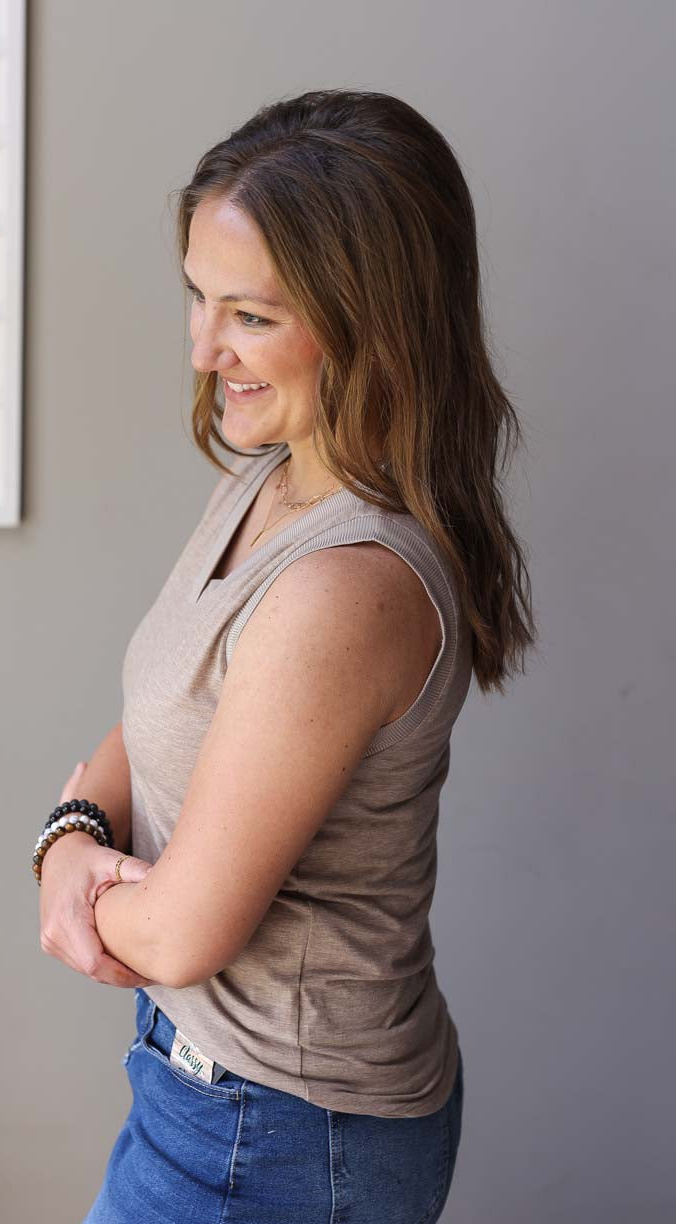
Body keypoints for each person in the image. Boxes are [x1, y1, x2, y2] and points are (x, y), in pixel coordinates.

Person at [36, 88, 537, 1224]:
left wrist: (67, 878)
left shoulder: (344, 589)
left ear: (374, 322)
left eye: (252, 316)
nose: (208, 350)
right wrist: (72, 838)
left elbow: (179, 931)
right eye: (198, 300)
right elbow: (160, 713)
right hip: (205, 1094)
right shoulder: (264, 483)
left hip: (277, 1137)